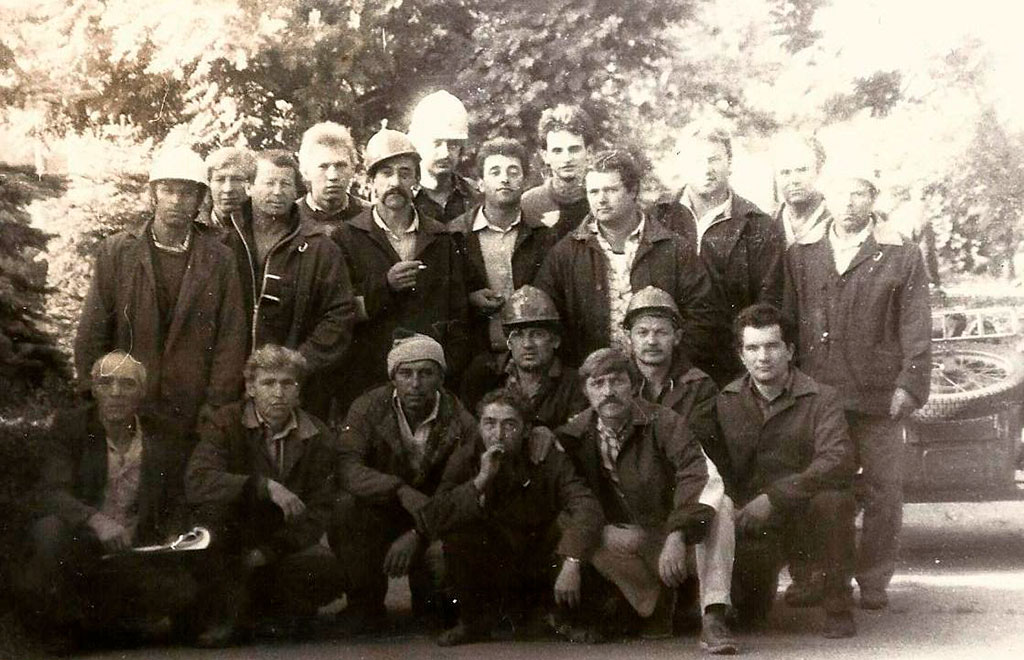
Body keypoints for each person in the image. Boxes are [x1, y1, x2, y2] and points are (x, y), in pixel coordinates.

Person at [784, 167, 931, 611]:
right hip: (819, 393)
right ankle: (814, 575)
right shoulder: (803, 252)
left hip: (877, 394)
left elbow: (916, 323)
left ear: (873, 197)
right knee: (815, 484)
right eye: (840, 193)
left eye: (858, 193)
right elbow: (788, 319)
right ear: (825, 196)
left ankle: (872, 579)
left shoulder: (901, 253)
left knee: (884, 489)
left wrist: (909, 383)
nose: (848, 203)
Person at [556, 348, 737, 654]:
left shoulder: (664, 422)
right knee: (586, 529)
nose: (608, 392)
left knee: (723, 505)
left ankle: (714, 615)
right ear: (586, 392)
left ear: (634, 385)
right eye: (598, 383)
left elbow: (699, 475)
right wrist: (572, 559)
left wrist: (678, 533)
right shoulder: (576, 434)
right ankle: (656, 604)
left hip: (683, 540)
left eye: (617, 381)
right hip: (640, 537)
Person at [17, 351, 196, 653]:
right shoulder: (71, 427)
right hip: (84, 543)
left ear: (141, 392)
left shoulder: (162, 434)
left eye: (127, 384)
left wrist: (173, 534)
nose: (116, 392)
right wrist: (96, 521)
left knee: (183, 592)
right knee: (49, 531)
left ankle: (112, 626)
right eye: (106, 382)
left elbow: (178, 497)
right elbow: (51, 491)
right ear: (94, 389)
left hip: (138, 546)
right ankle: (64, 628)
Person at [74, 145, 247, 441]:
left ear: (200, 200)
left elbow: (231, 338)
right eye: (168, 190)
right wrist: (93, 394)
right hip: (127, 404)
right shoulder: (118, 252)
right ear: (153, 194)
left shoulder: (219, 258)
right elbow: (94, 328)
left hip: (191, 408)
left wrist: (217, 403)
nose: (177, 201)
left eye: (187, 193)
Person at [414, 389, 605, 645]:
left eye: (509, 425)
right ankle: (473, 623)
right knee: (458, 534)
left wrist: (572, 560)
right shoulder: (467, 456)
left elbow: (585, 504)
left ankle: (564, 618)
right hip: (494, 557)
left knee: (570, 527)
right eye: (489, 424)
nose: (498, 434)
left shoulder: (546, 455)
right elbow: (435, 516)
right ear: (479, 426)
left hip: (539, 553)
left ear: (526, 430)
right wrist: (480, 480)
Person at [715, 303, 858, 638]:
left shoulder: (822, 398)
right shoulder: (726, 401)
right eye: (753, 348)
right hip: (755, 522)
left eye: (772, 346)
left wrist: (775, 497)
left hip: (805, 514)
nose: (763, 357)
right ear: (741, 355)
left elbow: (837, 459)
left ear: (790, 351)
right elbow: (717, 464)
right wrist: (735, 507)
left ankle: (837, 605)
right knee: (750, 618)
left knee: (835, 502)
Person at [185, 345, 343, 646]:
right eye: (268, 383)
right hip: (233, 536)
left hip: (282, 542)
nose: (278, 393)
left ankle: (274, 612)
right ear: (250, 388)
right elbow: (198, 480)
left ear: (298, 390)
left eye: (287, 383)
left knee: (324, 569)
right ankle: (226, 617)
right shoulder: (225, 422)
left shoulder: (317, 436)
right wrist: (264, 486)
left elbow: (320, 509)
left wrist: (270, 551)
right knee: (212, 523)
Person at [332, 333, 478, 632]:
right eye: (405, 373)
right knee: (346, 509)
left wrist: (418, 533)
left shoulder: (461, 421)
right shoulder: (367, 408)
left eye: (426, 373)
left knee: (434, 615)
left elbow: (458, 490)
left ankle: (431, 599)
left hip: (432, 512)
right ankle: (364, 603)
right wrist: (397, 489)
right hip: (381, 507)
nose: (415, 383)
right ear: (393, 378)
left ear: (441, 378)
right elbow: (347, 467)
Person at [534, 149, 719, 369]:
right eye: (594, 192)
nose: (601, 199)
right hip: (593, 379)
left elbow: (703, 318)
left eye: (611, 190)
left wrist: (668, 371)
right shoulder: (566, 253)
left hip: (661, 376)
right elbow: (546, 319)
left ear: (633, 191)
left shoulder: (675, 249)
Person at [332, 126, 469, 404]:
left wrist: (445, 368)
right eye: (386, 173)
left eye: (404, 173)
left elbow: (459, 313)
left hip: (429, 381)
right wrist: (386, 286)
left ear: (416, 180)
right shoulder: (346, 237)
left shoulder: (440, 237)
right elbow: (340, 312)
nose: (395, 182)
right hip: (369, 379)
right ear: (371, 180)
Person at [222, 149, 355, 422]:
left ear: (296, 191)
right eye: (269, 182)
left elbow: (339, 313)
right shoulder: (224, 240)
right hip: (227, 380)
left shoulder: (319, 247)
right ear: (249, 186)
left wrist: (299, 361)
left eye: (285, 184)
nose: (277, 191)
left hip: (295, 386)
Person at [652, 123, 786, 386]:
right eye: (696, 160)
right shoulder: (659, 216)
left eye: (714, 159)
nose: (706, 169)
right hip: (666, 359)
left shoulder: (756, 224)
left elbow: (768, 300)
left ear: (729, 162)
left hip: (729, 363)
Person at [449, 138, 557, 363]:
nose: (504, 178)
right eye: (495, 172)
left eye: (513, 172)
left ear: (524, 181)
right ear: (480, 183)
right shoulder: (456, 234)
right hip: (473, 354)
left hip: (529, 356)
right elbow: (443, 295)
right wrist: (470, 298)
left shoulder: (543, 235)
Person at [460, 285, 587, 428]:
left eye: (537, 334)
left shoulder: (575, 385)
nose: (527, 344)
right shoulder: (485, 376)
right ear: (509, 342)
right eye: (518, 335)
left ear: (555, 341)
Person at [521, 104, 595, 240]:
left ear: (589, 152)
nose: (567, 159)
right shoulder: (528, 204)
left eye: (574, 149)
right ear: (545, 156)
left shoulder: (601, 200)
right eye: (557, 151)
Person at [408, 90, 480, 222]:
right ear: (417, 143)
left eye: (453, 145)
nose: (445, 153)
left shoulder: (475, 197)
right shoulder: (403, 198)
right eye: (437, 143)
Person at [296, 121, 368, 227]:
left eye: (341, 166)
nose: (333, 176)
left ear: (352, 169)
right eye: (323, 166)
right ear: (305, 171)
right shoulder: (288, 220)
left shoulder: (371, 217)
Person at [771, 133, 831, 247]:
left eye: (802, 170)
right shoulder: (765, 224)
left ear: (819, 171)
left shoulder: (838, 223)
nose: (794, 180)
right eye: (785, 172)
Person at [205, 146, 257, 229]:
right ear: (209, 183)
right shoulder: (193, 224)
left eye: (237, 179)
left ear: (251, 183)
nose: (228, 189)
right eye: (220, 179)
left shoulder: (262, 226)